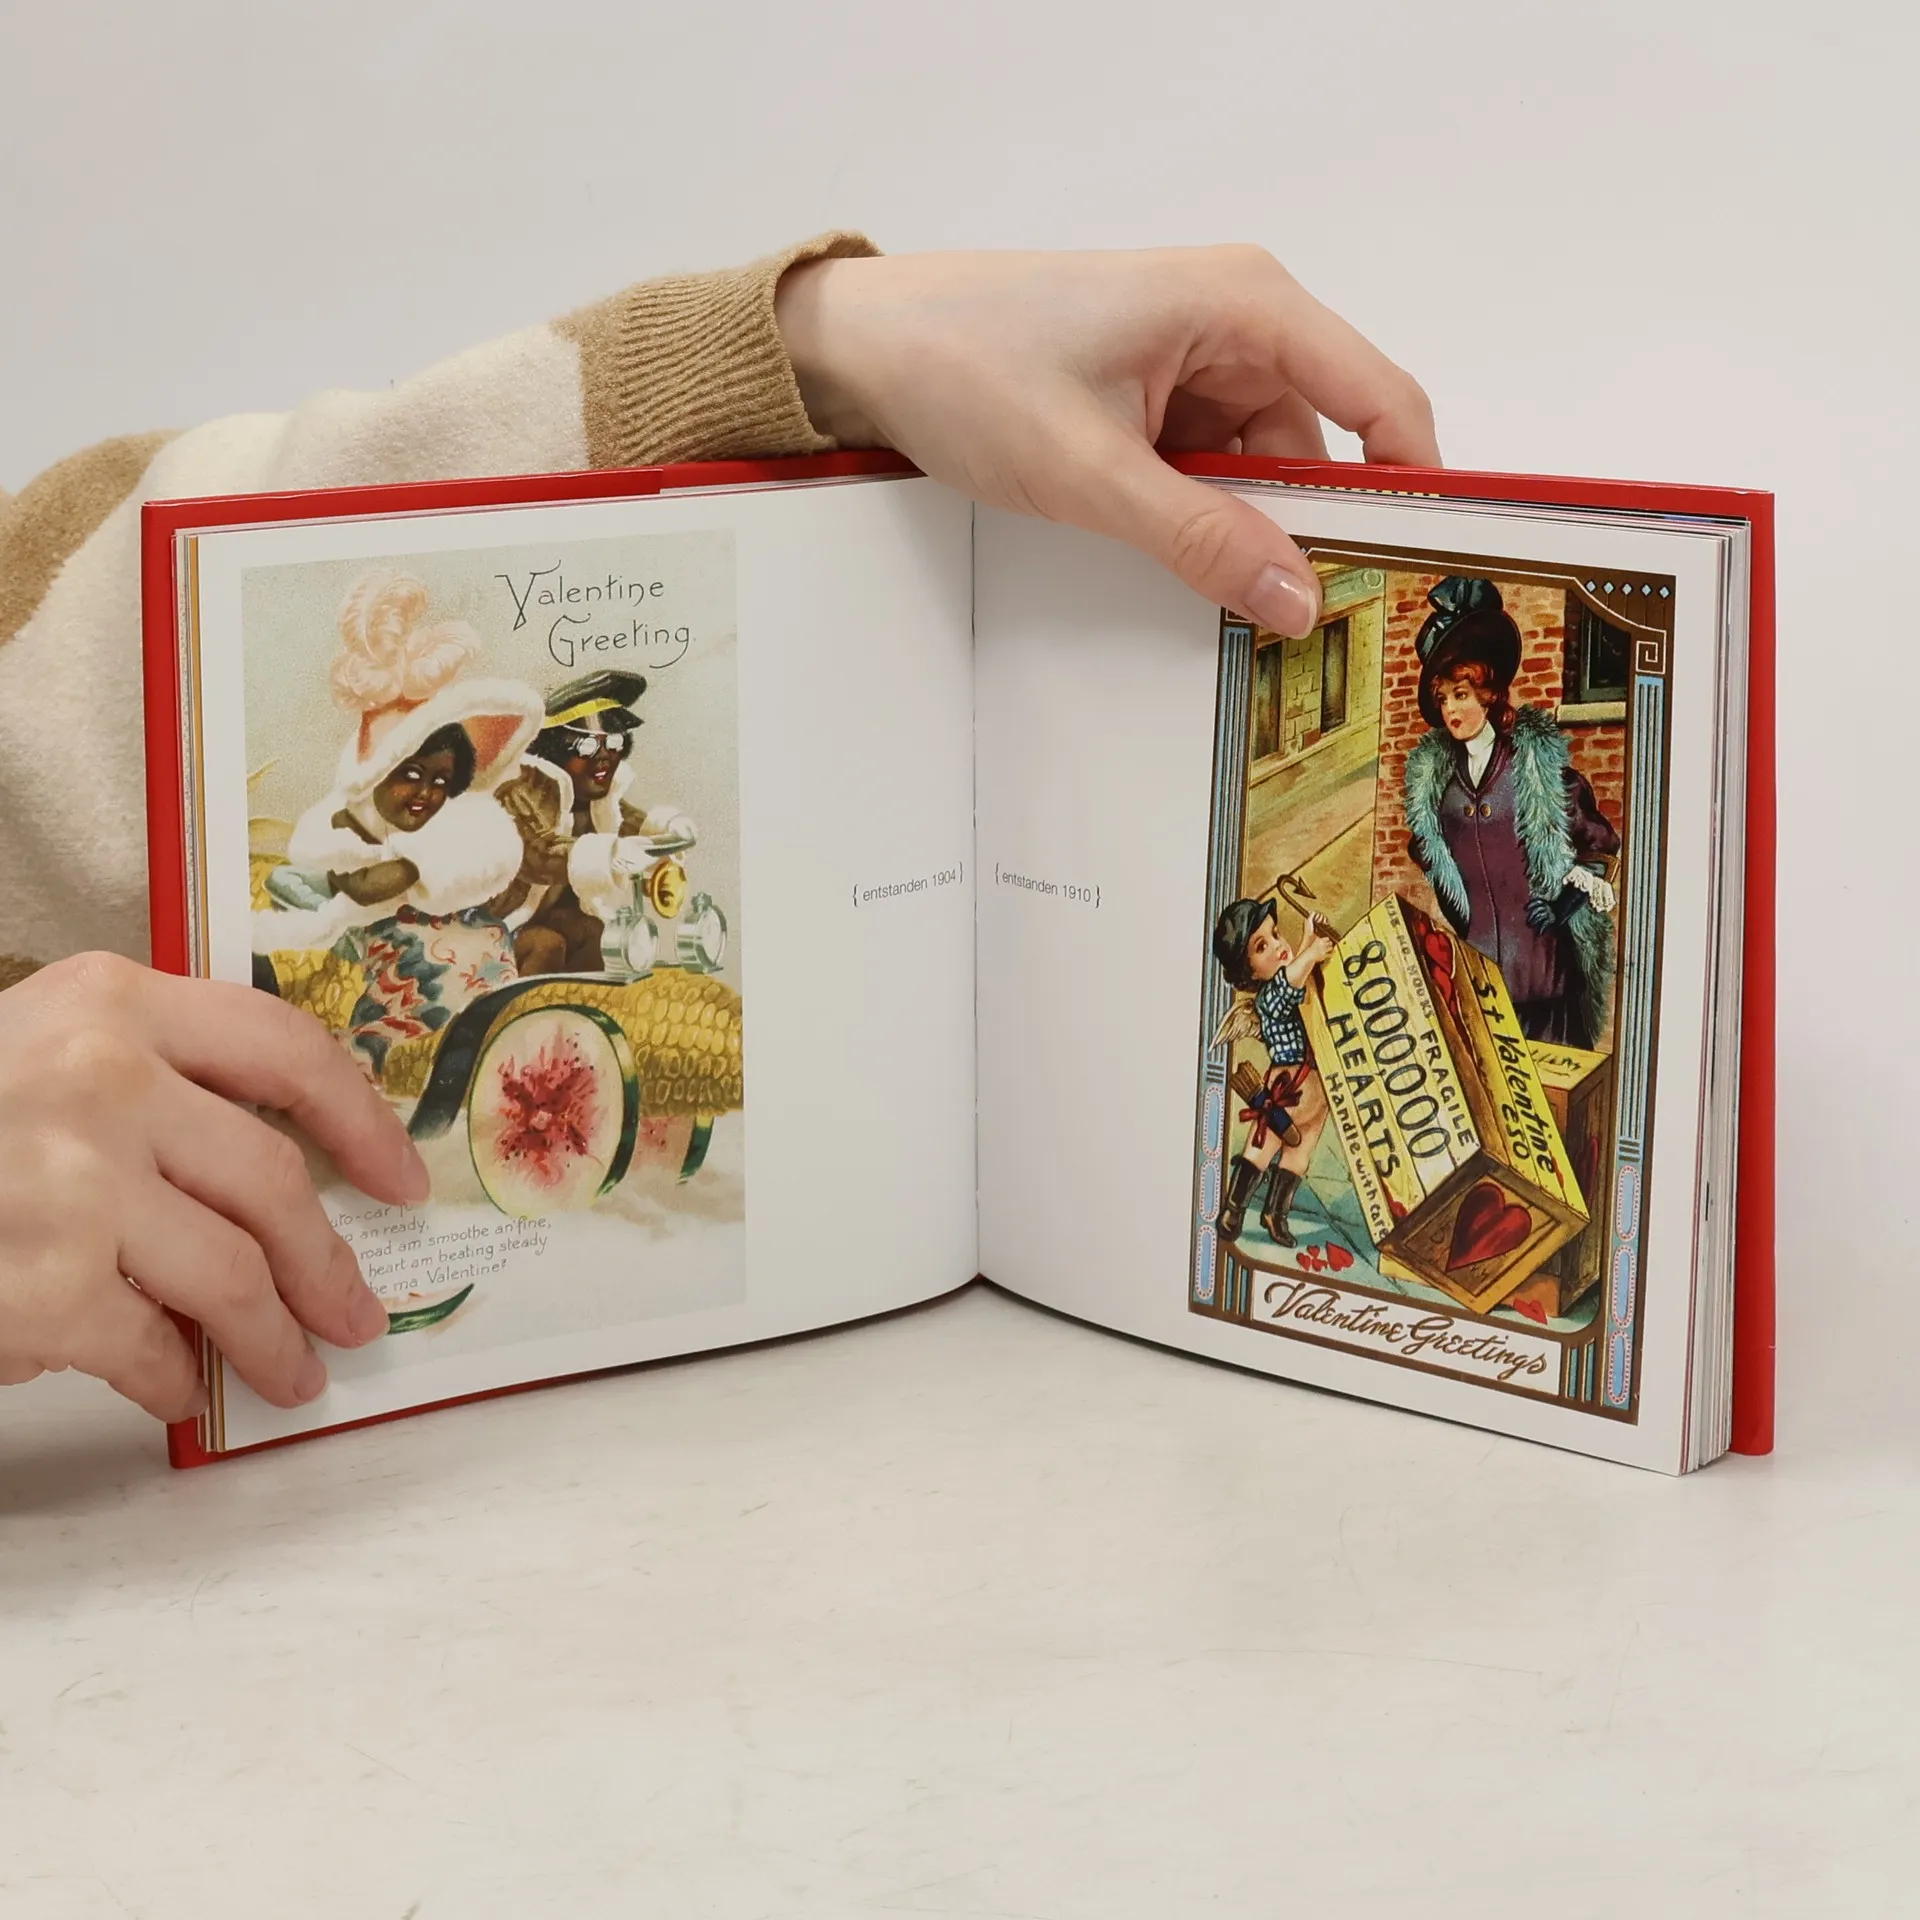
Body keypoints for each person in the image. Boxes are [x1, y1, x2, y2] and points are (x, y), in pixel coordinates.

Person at [0, 237, 1438, 1421]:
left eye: (605, 747)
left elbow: (62, 659)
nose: (600, 755)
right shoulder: (462, 816)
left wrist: (813, 345)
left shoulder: (541, 800)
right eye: (590, 742)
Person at [252, 572, 543, 1078]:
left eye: (441, 781)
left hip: (473, 969)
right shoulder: (339, 829)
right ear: (375, 774)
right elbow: (344, 880)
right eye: (410, 774)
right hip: (410, 970)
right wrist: (355, 873)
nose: (426, 792)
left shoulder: (458, 832)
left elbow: (471, 859)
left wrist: (403, 869)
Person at [1400, 577, 1620, 1047]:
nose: (1451, 709)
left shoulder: (1536, 774)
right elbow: (1437, 866)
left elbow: (1599, 851)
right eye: (1443, 698)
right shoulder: (1439, 793)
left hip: (1546, 982)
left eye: (1461, 694)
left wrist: (1562, 907)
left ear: (1488, 693)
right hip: (1482, 985)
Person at [491, 670, 696, 976]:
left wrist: (667, 829)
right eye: (586, 747)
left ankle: (580, 1006)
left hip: (549, 920)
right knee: (547, 945)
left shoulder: (594, 799)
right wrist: (610, 855)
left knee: (596, 933)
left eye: (613, 743)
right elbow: (540, 856)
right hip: (494, 930)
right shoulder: (519, 792)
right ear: (554, 750)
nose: (603, 757)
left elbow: (628, 822)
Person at [1209, 895, 1338, 1248]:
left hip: (1316, 1090)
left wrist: (1308, 937)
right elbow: (1290, 981)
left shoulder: (1293, 975)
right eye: (1262, 945)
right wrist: (1312, 952)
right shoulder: (1270, 997)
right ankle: (1234, 1208)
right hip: (1287, 1088)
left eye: (1276, 934)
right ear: (1250, 972)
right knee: (1262, 1148)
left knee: (1300, 1154)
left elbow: (1296, 972)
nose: (1278, 945)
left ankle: (1275, 1213)